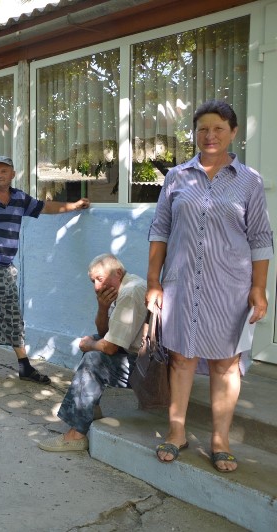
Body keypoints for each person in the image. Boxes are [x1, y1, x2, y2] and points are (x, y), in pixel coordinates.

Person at [147, 100, 273, 473]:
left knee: (225, 363)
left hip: (230, 286)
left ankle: (220, 440)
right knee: (182, 357)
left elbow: (261, 237)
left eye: (218, 128)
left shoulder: (248, 180)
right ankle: (176, 431)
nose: (210, 135)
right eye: (203, 128)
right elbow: (160, 230)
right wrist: (153, 282)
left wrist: (260, 288)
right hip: (183, 283)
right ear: (195, 133)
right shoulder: (176, 177)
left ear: (233, 132)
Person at [0, 155, 91, 383]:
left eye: (3, 171)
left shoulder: (19, 198)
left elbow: (45, 206)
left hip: (5, 269)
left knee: (12, 317)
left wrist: (74, 206)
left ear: (12, 175)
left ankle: (24, 366)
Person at [38, 254, 147, 452]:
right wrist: (102, 307)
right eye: (93, 281)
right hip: (137, 358)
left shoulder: (131, 291)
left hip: (147, 370)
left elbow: (111, 347)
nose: (97, 287)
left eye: (100, 279)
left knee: (94, 358)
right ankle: (91, 410)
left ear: (119, 273)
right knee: (96, 342)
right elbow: (106, 334)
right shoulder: (123, 288)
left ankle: (76, 435)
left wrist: (90, 345)